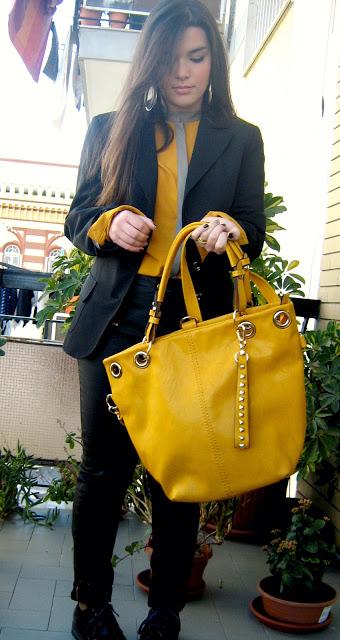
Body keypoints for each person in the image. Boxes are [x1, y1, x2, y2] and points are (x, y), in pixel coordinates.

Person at [63, 1, 265, 638]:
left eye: (196, 57)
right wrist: (107, 222)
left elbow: (253, 227)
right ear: (150, 60)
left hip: (194, 328)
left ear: (214, 62)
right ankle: (90, 607)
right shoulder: (109, 127)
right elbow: (77, 218)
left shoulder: (241, 138)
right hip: (118, 320)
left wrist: (233, 228)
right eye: (171, 57)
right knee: (102, 474)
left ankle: (165, 611)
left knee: (178, 476)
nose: (183, 72)